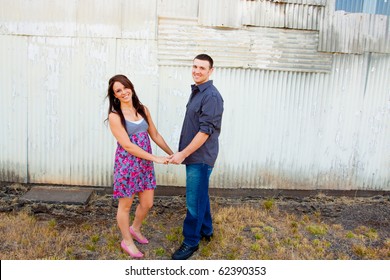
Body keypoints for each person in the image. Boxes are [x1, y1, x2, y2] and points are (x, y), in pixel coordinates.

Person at [106, 74, 173, 258]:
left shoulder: (143, 109)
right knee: (125, 206)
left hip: (144, 165)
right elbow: (127, 145)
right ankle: (126, 241)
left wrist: (170, 153)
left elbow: (155, 135)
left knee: (147, 203)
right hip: (127, 165)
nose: (123, 92)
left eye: (125, 87)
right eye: (118, 91)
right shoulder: (115, 116)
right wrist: (155, 158)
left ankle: (135, 228)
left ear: (131, 87)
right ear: (115, 95)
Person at [169, 54, 224, 260]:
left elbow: (205, 132)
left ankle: (191, 241)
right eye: (195, 66)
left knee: (193, 200)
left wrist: (183, 153)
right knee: (200, 194)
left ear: (211, 71)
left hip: (200, 157)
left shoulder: (211, 96)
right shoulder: (198, 92)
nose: (197, 71)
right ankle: (206, 230)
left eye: (202, 68)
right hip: (194, 155)